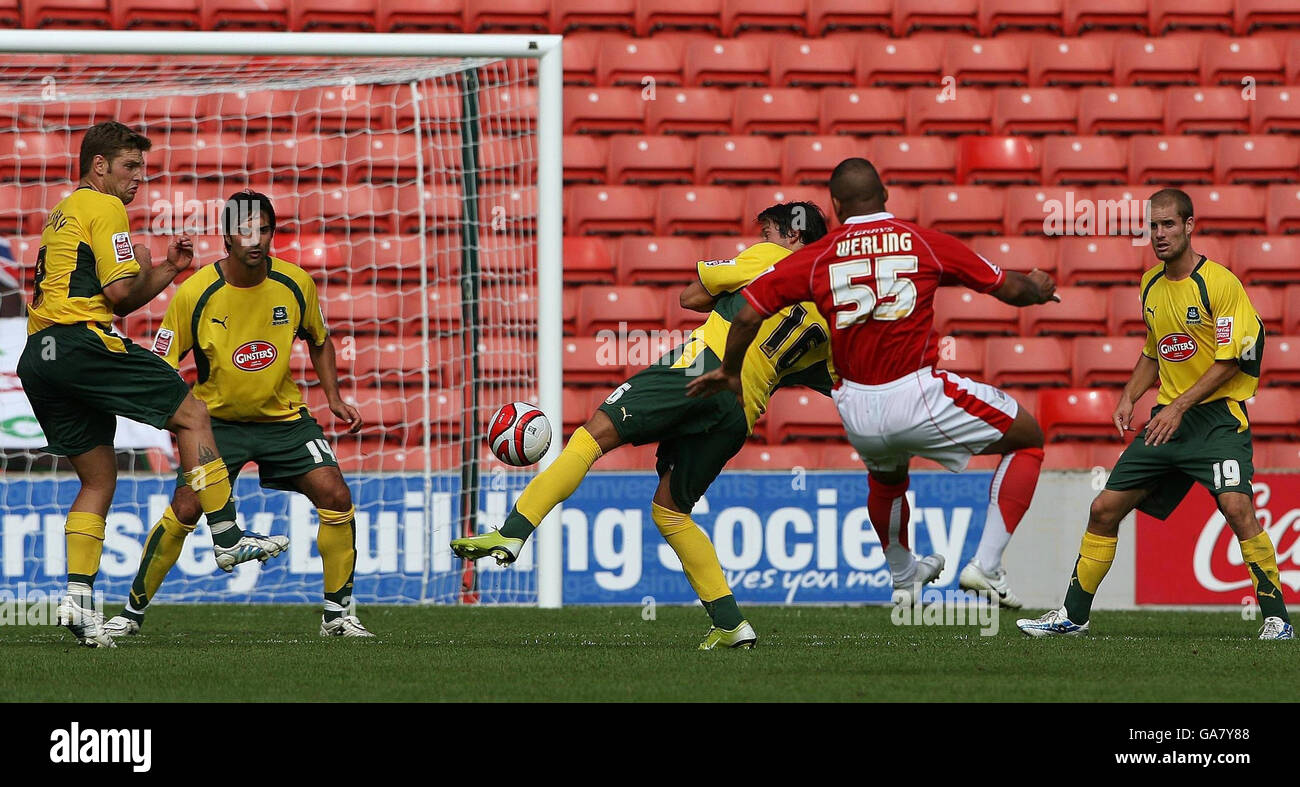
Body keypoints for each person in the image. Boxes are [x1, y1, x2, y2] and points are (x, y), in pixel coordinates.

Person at [452, 202, 839, 649]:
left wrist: (732, 294)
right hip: (741, 412)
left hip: (701, 370)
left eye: (770, 231)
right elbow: (835, 382)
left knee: (594, 433)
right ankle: (731, 623)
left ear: (793, 236)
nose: (765, 238)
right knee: (671, 510)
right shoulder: (830, 314)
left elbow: (690, 296)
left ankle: (513, 532)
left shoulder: (775, 259)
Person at [688, 158, 1059, 608]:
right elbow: (1008, 289)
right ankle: (987, 564)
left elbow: (747, 314)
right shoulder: (921, 240)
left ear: (837, 206)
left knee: (887, 482)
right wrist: (1037, 288)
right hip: (917, 392)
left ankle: (904, 580)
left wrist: (729, 370)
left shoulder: (817, 256)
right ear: (884, 196)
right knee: (1028, 439)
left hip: (857, 409)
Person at [17, 122, 288, 648]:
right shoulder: (104, 208)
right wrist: (142, 263)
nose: (138, 178)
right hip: (80, 344)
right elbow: (118, 294)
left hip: (40, 356)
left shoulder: (63, 212)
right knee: (192, 414)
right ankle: (228, 537)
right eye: (130, 167)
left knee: (97, 481)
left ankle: (77, 599)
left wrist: (164, 269)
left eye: (141, 167)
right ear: (100, 166)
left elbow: (113, 296)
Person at [1018, 189, 1293, 640]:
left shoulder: (1219, 284)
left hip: (1217, 421)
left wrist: (1180, 406)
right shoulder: (1150, 285)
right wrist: (1129, 396)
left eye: (1168, 224)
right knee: (1104, 509)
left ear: (1189, 226)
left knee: (1237, 507)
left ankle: (1277, 619)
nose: (1159, 234)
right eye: (1153, 226)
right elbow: (1155, 349)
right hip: (1168, 422)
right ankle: (1073, 616)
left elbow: (1231, 360)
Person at [100, 190, 375, 638]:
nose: (256, 239)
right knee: (185, 508)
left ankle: (338, 617)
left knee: (337, 496)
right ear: (227, 235)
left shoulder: (295, 283)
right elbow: (162, 363)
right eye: (245, 230)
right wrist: (176, 419)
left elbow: (319, 339)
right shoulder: (196, 291)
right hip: (217, 426)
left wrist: (335, 397)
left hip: (283, 420)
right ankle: (130, 615)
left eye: (264, 230)